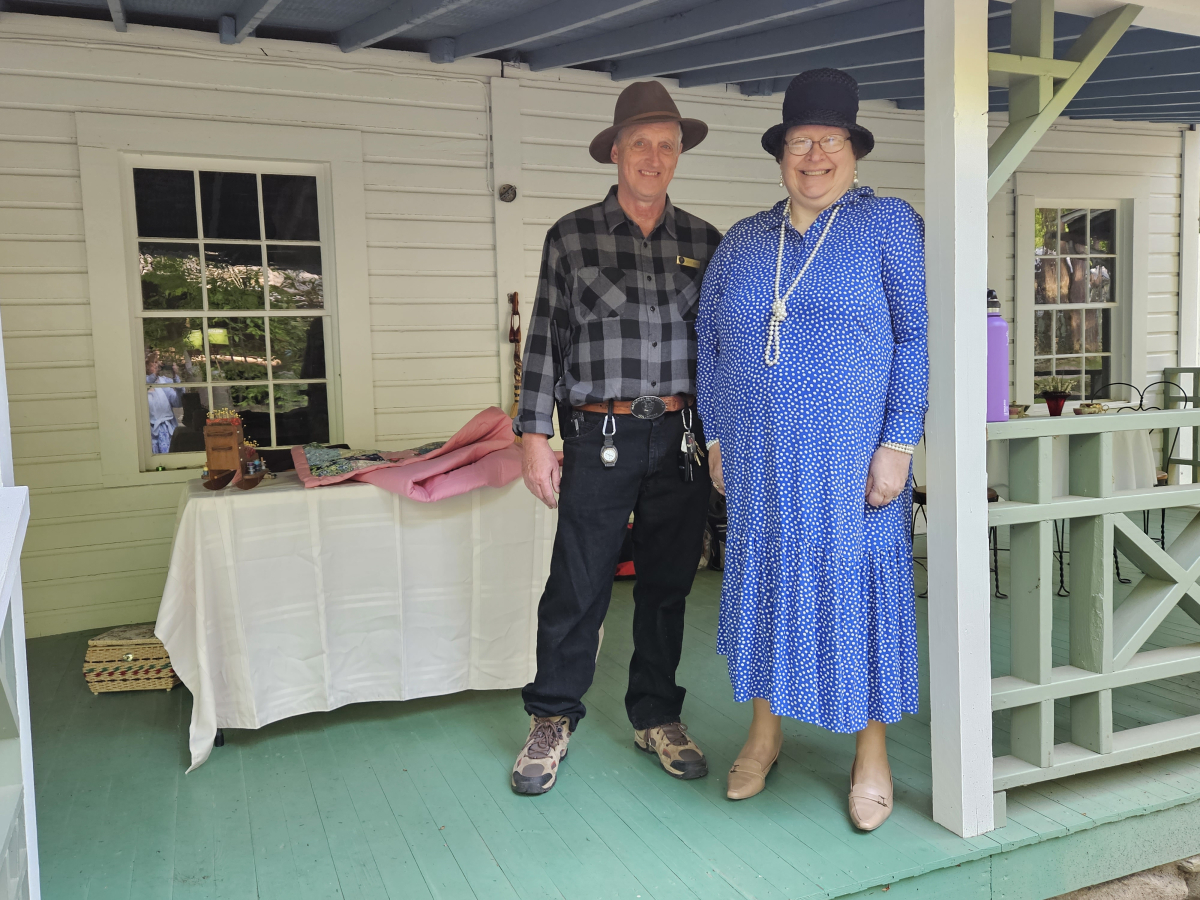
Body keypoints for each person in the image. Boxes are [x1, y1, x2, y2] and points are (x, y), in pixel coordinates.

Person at [694, 68, 928, 831]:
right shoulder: (742, 241)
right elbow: (713, 344)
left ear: (854, 150)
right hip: (762, 459)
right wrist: (720, 436)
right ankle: (764, 735)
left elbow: (916, 337)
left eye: (829, 141)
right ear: (781, 153)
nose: (815, 156)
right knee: (766, 587)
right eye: (800, 142)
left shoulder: (889, 224)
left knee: (858, 592)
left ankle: (871, 754)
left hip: (853, 460)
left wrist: (899, 441)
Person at [511, 81, 722, 796]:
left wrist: (723, 438)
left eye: (667, 144)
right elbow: (545, 340)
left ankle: (656, 714)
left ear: (678, 154)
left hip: (684, 436)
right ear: (617, 152)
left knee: (666, 586)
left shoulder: (704, 242)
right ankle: (551, 716)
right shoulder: (571, 237)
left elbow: (721, 352)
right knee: (578, 581)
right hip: (597, 431)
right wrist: (533, 435)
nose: (654, 157)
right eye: (641, 144)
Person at [145, 350, 184, 454]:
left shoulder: (163, 381)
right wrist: (154, 375)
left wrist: (176, 378)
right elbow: (148, 382)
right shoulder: (142, 381)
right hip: (150, 430)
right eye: (154, 362)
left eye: (158, 362)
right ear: (146, 366)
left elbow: (178, 402)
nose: (157, 365)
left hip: (167, 428)